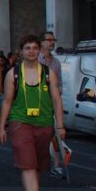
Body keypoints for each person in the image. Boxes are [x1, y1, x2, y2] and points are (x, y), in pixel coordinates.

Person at [0, 34, 65, 191]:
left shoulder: (48, 73)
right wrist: (2, 126)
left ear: (39, 50)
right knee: (27, 164)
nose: (31, 52)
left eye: (34, 48)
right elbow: (7, 102)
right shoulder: (13, 73)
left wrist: (60, 126)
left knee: (37, 165)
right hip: (21, 122)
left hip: (44, 123)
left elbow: (57, 100)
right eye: (27, 48)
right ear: (22, 51)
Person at [39, 30, 66, 178]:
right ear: (41, 42)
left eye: (53, 40)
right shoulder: (36, 59)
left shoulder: (56, 62)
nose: (52, 42)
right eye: (49, 40)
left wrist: (57, 91)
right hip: (37, 102)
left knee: (55, 134)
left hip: (52, 102)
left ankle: (56, 165)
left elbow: (60, 82)